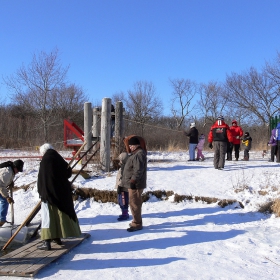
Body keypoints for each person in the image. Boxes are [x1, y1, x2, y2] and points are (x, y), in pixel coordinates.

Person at [37, 143, 81, 250]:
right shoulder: (57, 157)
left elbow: (43, 179)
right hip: (60, 193)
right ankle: (57, 238)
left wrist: (42, 192)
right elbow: (67, 172)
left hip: (48, 194)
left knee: (47, 217)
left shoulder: (45, 160)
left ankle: (46, 242)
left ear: (43, 152)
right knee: (58, 215)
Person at [122, 136, 147, 232]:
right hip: (134, 183)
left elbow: (138, 170)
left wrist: (133, 181)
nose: (131, 147)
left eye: (132, 145)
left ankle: (137, 224)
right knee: (133, 203)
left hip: (136, 184)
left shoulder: (139, 154)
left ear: (137, 145)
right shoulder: (136, 153)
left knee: (135, 203)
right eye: (130, 145)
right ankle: (136, 221)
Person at [0, 160, 24, 226]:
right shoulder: (7, 173)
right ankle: (1, 221)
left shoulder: (11, 171)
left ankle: (2, 219)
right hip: (0, 186)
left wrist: (10, 182)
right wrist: (7, 197)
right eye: (18, 170)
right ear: (15, 167)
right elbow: (1, 186)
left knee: (4, 201)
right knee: (4, 200)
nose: (18, 172)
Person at [115, 152, 129, 221]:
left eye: (120, 160)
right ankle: (124, 212)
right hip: (121, 187)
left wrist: (120, 186)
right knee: (120, 200)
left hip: (123, 188)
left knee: (123, 201)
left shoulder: (125, 168)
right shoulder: (123, 166)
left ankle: (125, 214)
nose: (119, 161)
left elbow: (123, 178)